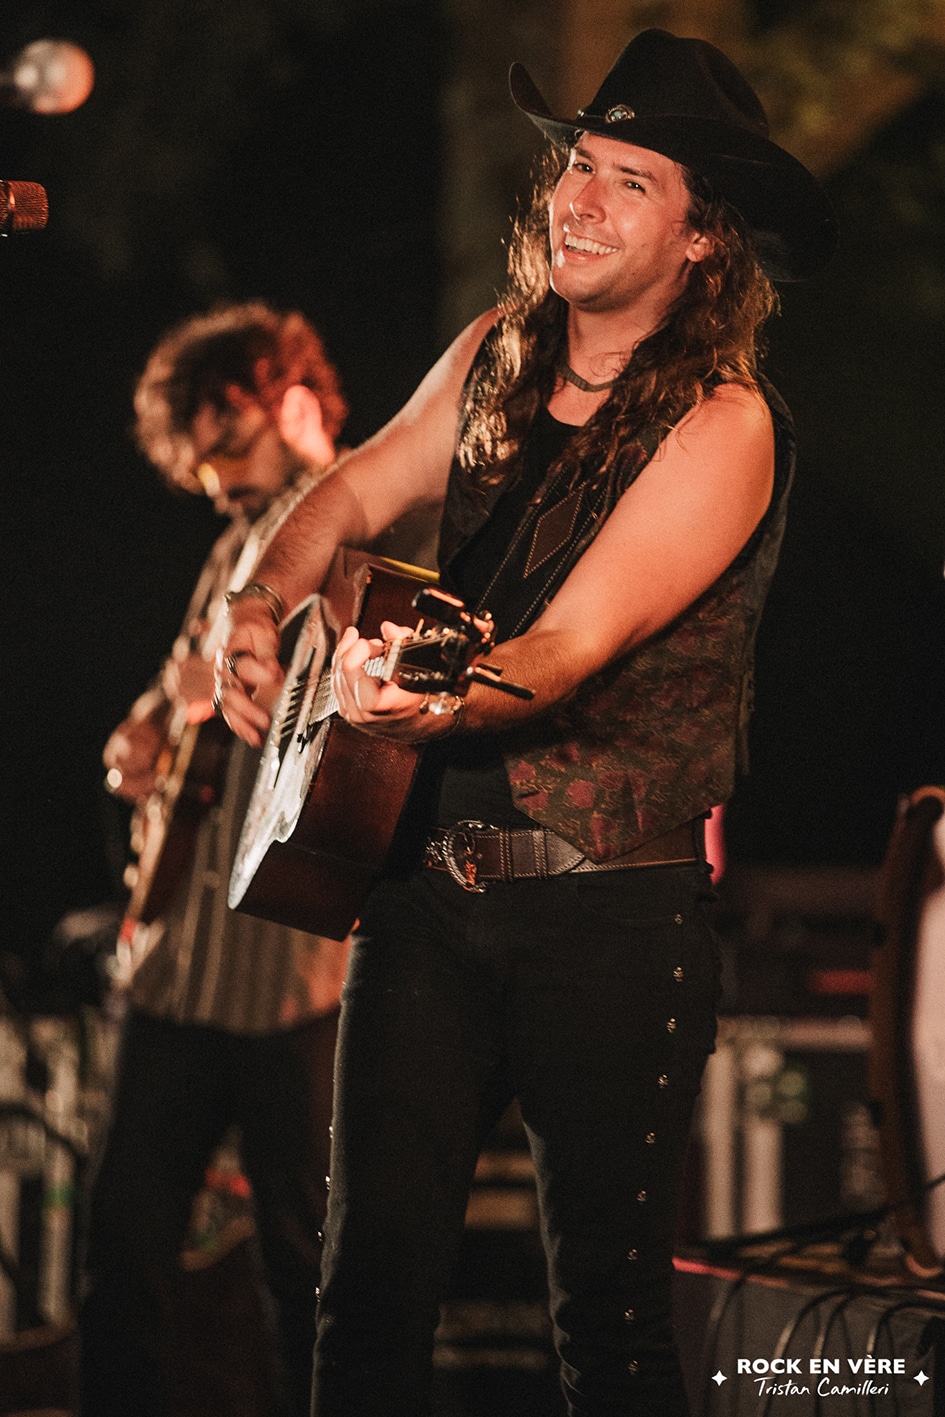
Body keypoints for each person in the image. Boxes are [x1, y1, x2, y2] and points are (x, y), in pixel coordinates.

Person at [216, 31, 836, 1417]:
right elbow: (351, 490)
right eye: (575, 165)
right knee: (361, 1300)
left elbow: (566, 648)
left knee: (607, 1330)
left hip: (606, 917)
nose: (578, 199)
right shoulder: (497, 350)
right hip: (420, 896)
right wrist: (254, 606)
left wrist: (414, 699)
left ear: (701, 240)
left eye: (628, 180)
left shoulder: (724, 422)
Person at [80, 302, 353, 1417]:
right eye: (200, 462)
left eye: (230, 442)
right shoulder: (227, 549)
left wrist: (225, 683)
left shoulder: (354, 527)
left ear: (293, 402)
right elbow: (175, 689)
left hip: (288, 977)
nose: (217, 478)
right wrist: (142, 736)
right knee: (122, 1249)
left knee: (304, 1263)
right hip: (175, 964)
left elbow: (361, 693)